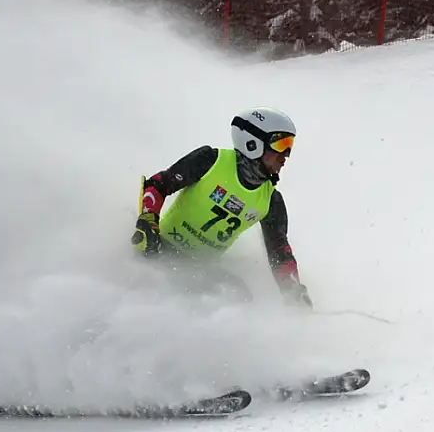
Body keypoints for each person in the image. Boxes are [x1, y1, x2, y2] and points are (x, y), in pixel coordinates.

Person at [129, 106, 312, 308]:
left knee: (237, 295)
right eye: (281, 143)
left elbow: (279, 252)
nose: (286, 154)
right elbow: (158, 185)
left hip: (198, 269)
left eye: (290, 146)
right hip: (158, 248)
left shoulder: (271, 201)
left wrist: (293, 291)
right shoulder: (211, 160)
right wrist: (148, 222)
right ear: (253, 143)